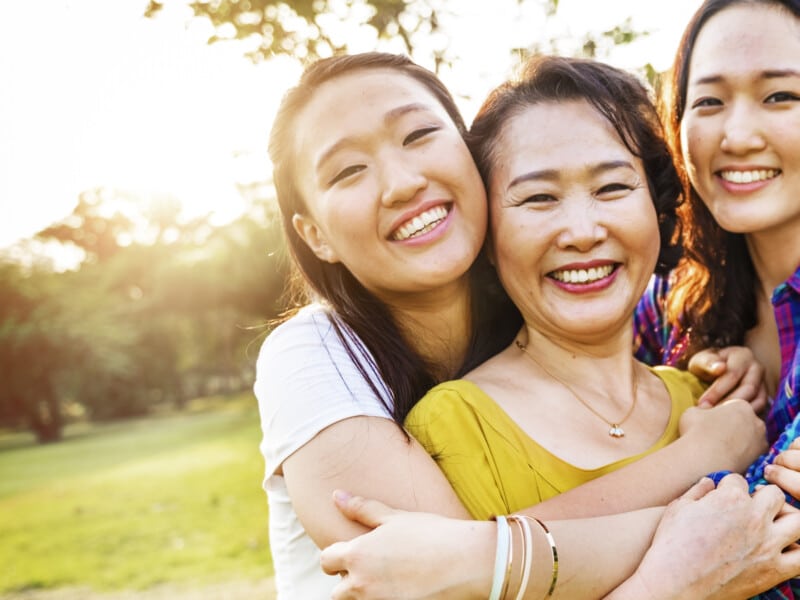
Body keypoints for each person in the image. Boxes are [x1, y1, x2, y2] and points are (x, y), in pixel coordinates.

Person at [257, 51, 772, 598]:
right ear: (315, 235)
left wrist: (716, 366)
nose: (402, 183)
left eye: (419, 134)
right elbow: (442, 577)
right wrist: (707, 475)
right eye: (348, 170)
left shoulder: (545, 314)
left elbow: (474, 554)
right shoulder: (313, 355)